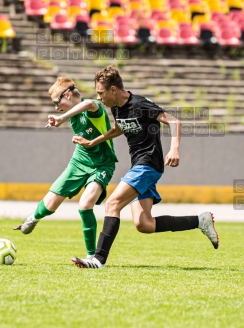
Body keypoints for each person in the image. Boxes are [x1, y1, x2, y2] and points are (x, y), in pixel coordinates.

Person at [56, 66, 219, 269]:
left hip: (149, 163)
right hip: (139, 165)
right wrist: (93, 141)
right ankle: (200, 221)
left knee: (112, 203)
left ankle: (98, 259)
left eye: (100, 92)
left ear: (113, 89)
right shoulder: (116, 107)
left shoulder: (141, 104)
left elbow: (174, 121)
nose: (99, 97)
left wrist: (174, 149)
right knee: (144, 224)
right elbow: (117, 129)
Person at [13, 77, 118, 260]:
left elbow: (90, 104)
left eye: (56, 102)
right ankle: (32, 218)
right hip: (79, 162)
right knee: (50, 204)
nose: (56, 107)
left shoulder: (93, 107)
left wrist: (62, 118)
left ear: (67, 94)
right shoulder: (72, 112)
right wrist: (62, 116)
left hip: (102, 164)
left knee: (85, 205)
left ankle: (92, 256)